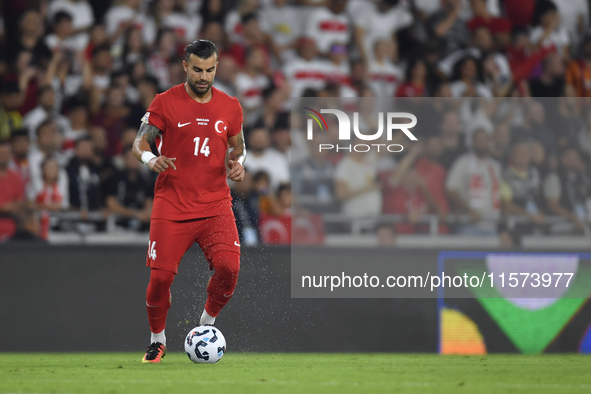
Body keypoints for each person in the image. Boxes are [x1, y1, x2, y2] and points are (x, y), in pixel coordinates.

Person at [132, 40, 246, 363]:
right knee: (160, 278)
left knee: (229, 268)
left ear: (216, 68)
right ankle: (157, 340)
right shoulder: (165, 102)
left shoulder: (230, 106)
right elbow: (139, 142)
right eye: (197, 69)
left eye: (210, 70)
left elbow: (238, 146)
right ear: (185, 66)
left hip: (215, 205)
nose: (203, 76)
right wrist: (150, 159)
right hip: (172, 203)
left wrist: (238, 163)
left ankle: (206, 325)